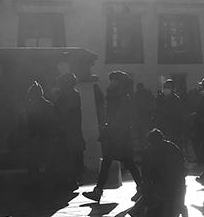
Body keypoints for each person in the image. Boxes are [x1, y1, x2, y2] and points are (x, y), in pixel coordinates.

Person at [84, 71, 142, 203]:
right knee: (111, 162)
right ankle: (99, 190)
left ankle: (141, 187)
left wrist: (111, 128)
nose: (112, 82)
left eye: (115, 80)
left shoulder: (123, 98)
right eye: (111, 80)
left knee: (127, 163)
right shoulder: (114, 96)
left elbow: (121, 117)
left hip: (120, 135)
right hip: (115, 134)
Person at [133, 128, 186, 217]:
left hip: (168, 182)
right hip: (172, 181)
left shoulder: (151, 151)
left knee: (153, 191)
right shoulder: (171, 147)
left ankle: (177, 207)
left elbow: (146, 171)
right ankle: (180, 207)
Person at [51, 73, 85, 190]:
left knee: (70, 155)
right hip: (70, 129)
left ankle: (72, 179)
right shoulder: (70, 95)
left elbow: (67, 113)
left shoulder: (71, 96)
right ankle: (71, 178)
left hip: (68, 130)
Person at [22, 81, 55, 189]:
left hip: (35, 139)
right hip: (47, 139)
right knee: (46, 162)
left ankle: (35, 184)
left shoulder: (30, 107)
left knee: (34, 163)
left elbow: (27, 124)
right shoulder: (49, 106)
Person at [152, 79, 186, 150]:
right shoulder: (161, 99)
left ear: (173, 89)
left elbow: (179, 116)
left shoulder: (176, 100)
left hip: (173, 131)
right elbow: (157, 112)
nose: (165, 89)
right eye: (164, 87)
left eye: (168, 87)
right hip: (162, 129)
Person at [133, 83, 153, 149]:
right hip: (146, 116)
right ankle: (146, 146)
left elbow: (135, 106)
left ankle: (142, 147)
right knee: (145, 133)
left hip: (140, 117)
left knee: (141, 133)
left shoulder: (137, 94)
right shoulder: (147, 94)